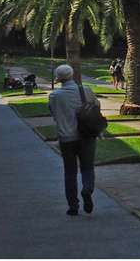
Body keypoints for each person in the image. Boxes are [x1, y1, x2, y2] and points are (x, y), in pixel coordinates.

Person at [48, 64, 97, 215]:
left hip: (66, 137)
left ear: (59, 78)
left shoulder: (55, 96)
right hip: (85, 135)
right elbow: (96, 107)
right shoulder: (85, 90)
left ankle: (73, 206)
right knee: (87, 167)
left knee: (70, 172)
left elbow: (52, 111)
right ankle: (87, 190)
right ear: (72, 75)